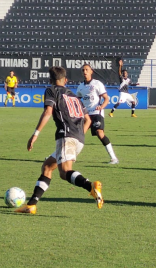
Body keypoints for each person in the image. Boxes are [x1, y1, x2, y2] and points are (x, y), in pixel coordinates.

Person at [15, 66, 103, 214]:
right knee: (48, 167)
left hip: (66, 136)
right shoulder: (74, 96)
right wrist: (79, 134)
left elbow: (48, 112)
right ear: (65, 80)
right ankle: (31, 205)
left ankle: (90, 186)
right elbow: (88, 119)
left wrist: (35, 134)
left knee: (64, 172)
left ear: (51, 80)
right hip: (79, 138)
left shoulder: (51, 90)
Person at [76, 63, 119, 164]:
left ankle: (114, 158)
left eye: (87, 70)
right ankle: (70, 156)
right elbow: (77, 100)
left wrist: (101, 106)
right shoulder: (81, 86)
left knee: (100, 133)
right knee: (78, 136)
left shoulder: (97, 83)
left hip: (96, 113)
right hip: (86, 115)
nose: (85, 72)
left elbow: (106, 98)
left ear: (91, 71)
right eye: (83, 70)